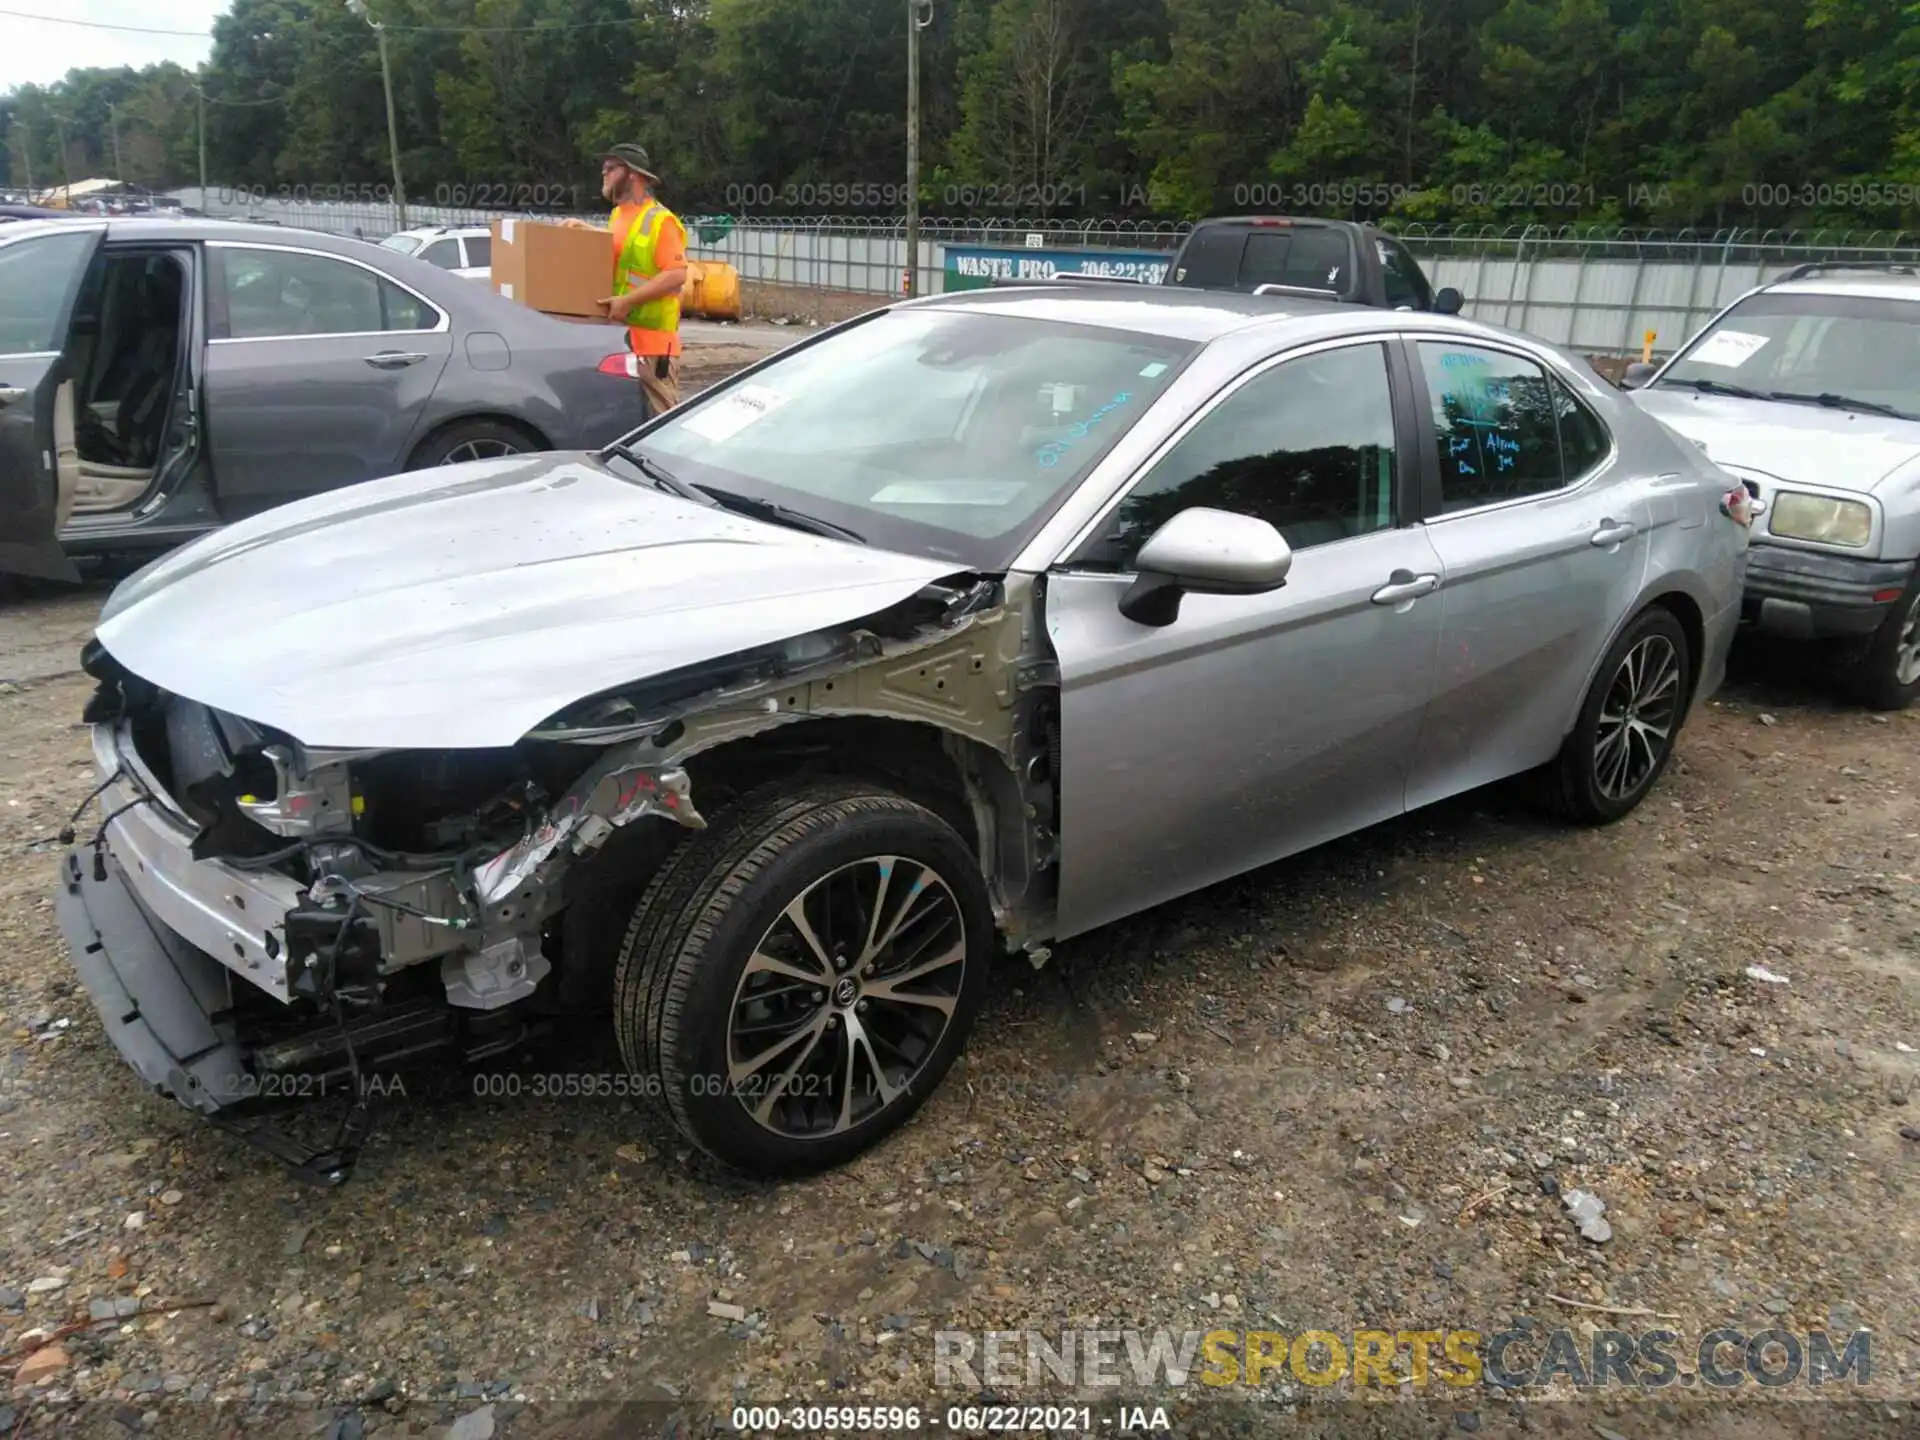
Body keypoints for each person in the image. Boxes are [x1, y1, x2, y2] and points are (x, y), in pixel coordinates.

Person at [566, 143, 687, 418]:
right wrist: (585, 230)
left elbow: (677, 274)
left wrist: (627, 301)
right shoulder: (619, 215)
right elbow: (622, 249)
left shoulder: (660, 220)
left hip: (654, 345)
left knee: (662, 422)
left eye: (611, 168)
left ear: (633, 174)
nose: (604, 174)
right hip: (621, 339)